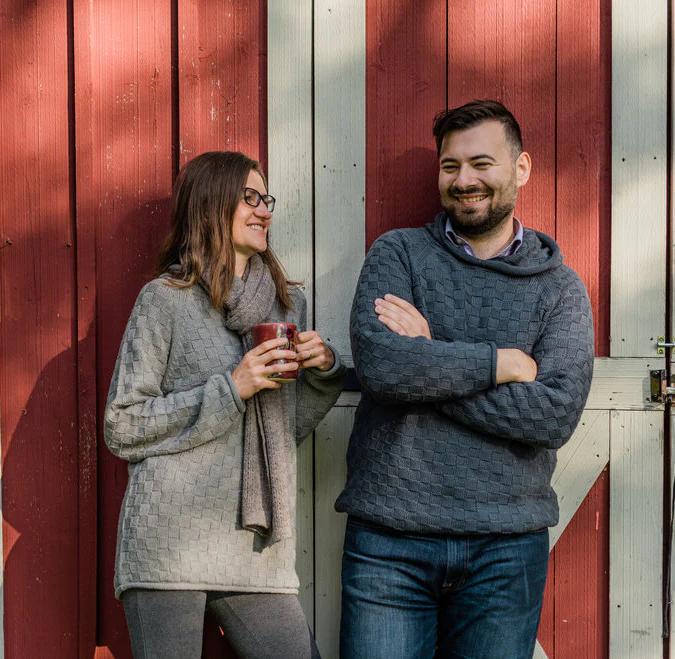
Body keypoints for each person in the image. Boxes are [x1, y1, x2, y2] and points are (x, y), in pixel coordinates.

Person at [336, 100, 594, 659]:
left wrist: (429, 355)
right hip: (390, 541)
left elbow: (553, 415)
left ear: (521, 168)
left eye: (482, 163)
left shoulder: (560, 289)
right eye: (451, 166)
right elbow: (383, 369)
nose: (465, 180)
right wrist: (497, 364)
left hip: (506, 550)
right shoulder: (398, 255)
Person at [104, 151, 345, 659]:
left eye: (266, 199)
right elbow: (121, 425)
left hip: (255, 547)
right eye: (250, 198)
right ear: (211, 206)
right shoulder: (165, 300)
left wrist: (322, 375)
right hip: (168, 544)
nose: (264, 210)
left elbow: (279, 431)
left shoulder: (285, 307)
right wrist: (231, 388)